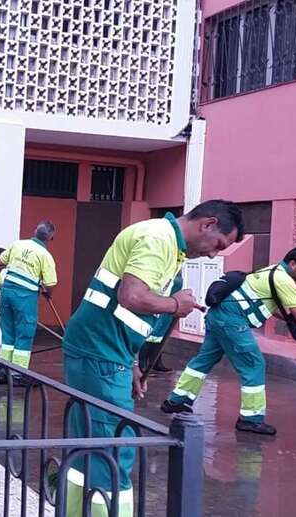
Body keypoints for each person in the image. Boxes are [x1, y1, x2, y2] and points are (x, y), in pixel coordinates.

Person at [61, 200, 244, 517]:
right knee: (115, 451)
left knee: (90, 444)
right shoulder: (158, 239)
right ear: (207, 224)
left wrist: (132, 361)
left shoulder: (166, 242)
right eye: (218, 244)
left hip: (102, 350)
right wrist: (176, 304)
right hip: (101, 353)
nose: (214, 254)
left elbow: (125, 313)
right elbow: (131, 296)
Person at [163, 247, 296, 435]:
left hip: (217, 316)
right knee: (254, 364)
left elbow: (273, 309)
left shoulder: (270, 271)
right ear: (293, 264)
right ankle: (250, 419)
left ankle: (177, 401)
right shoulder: (284, 280)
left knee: (204, 360)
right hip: (232, 322)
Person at [0, 220, 57, 375]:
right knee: (24, 333)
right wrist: (47, 293)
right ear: (50, 238)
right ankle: (17, 374)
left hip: (7, 292)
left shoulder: (17, 244)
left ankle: (4, 370)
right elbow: (50, 284)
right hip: (25, 297)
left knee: (8, 332)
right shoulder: (45, 256)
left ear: (35, 230)